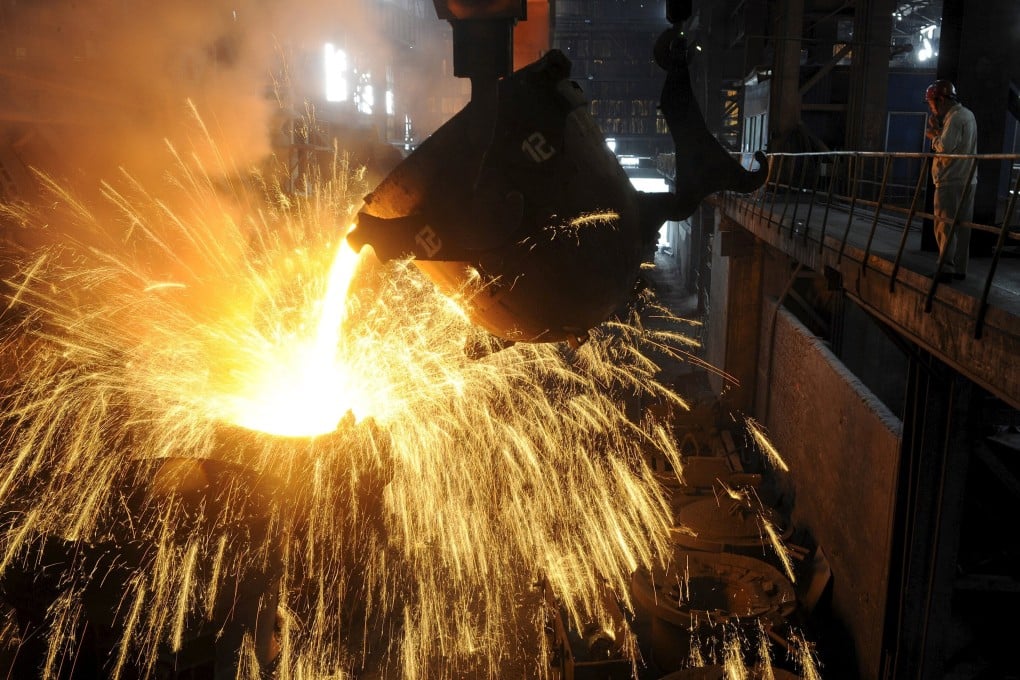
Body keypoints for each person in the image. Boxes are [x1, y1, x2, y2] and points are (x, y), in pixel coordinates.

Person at [924, 79, 978, 282]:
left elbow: (946, 147)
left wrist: (933, 136)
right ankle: (960, 268)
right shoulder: (967, 115)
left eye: (932, 103)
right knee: (963, 226)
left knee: (945, 226)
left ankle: (945, 269)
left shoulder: (954, 118)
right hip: (968, 179)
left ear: (941, 99)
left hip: (950, 179)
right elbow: (957, 143)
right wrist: (939, 129)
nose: (931, 107)